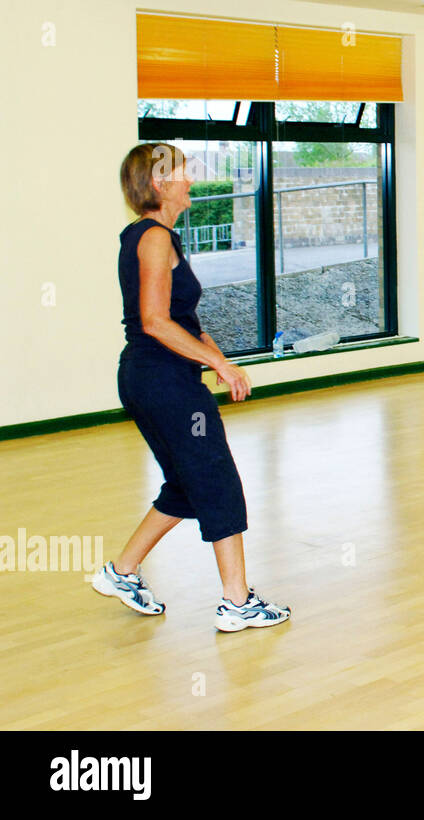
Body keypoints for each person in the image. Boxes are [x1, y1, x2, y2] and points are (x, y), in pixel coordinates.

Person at [92, 142, 292, 631]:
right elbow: (156, 321)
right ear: (160, 183)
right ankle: (237, 602)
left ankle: (122, 571)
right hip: (163, 380)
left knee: (185, 484)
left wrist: (221, 360)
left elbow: (185, 320)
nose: (192, 180)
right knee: (216, 479)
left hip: (151, 377)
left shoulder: (152, 237)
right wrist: (218, 368)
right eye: (184, 172)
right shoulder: (155, 238)